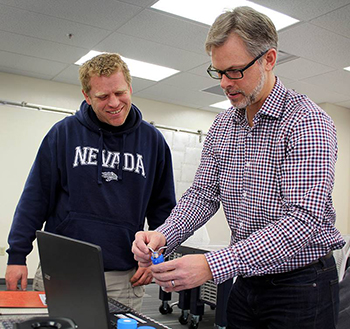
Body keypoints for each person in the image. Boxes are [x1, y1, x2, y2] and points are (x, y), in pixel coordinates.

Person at [132, 6, 345, 328]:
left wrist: (213, 265)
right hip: (246, 279)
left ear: (269, 59)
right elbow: (203, 194)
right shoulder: (222, 126)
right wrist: (163, 235)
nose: (225, 83)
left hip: (302, 286)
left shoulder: (307, 121)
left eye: (234, 71)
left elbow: (304, 220)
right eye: (218, 72)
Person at [5, 53, 176, 311]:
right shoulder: (63, 134)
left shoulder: (153, 142)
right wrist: (17, 256)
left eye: (120, 93)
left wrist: (155, 259)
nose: (114, 103)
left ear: (130, 88)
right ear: (86, 96)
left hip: (122, 277)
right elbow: (35, 199)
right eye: (103, 97)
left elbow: (163, 210)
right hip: (61, 271)